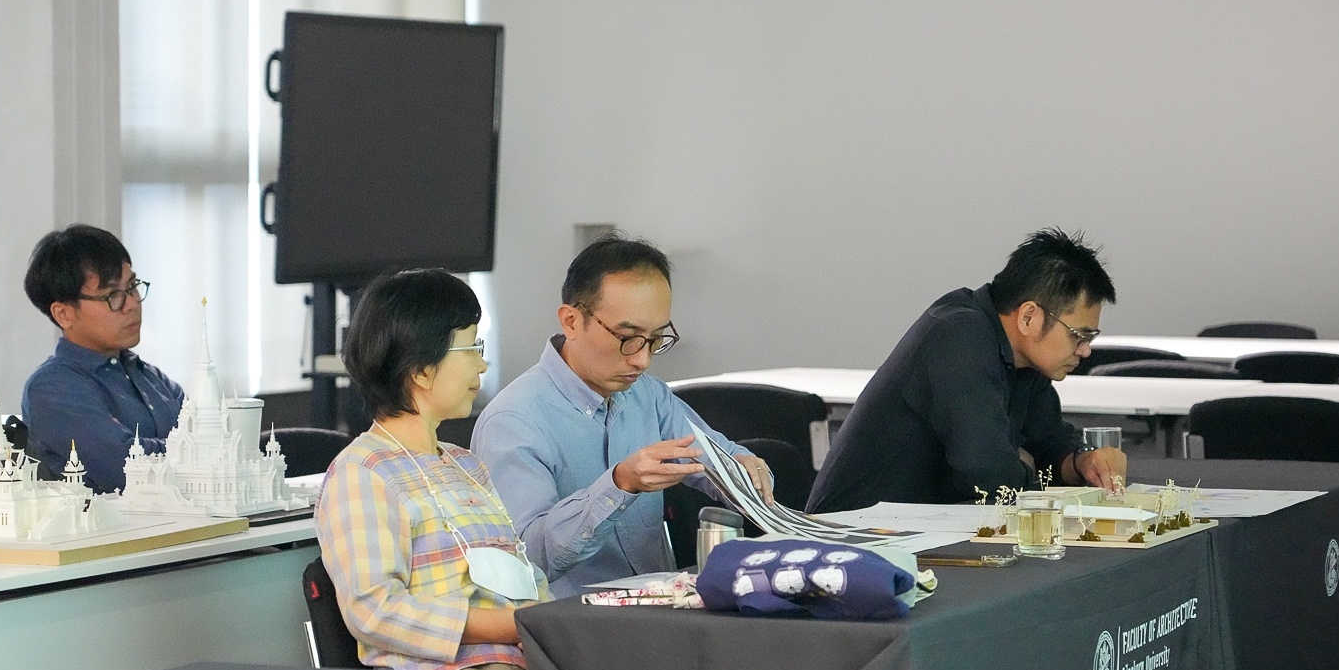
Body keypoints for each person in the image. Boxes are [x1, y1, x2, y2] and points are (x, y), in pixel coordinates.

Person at [473, 236, 773, 597]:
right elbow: (527, 560)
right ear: (571, 321)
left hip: (661, 606)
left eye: (656, 338)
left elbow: (717, 458)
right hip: (573, 621)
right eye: (628, 337)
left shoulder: (648, 395)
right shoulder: (513, 421)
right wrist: (618, 484)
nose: (642, 360)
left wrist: (745, 468)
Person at [314, 269, 548, 670]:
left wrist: (551, 620)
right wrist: (512, 626)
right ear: (422, 370)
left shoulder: (465, 464)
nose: (483, 363)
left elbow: (523, 572)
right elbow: (374, 611)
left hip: (522, 665)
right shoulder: (363, 473)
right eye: (472, 347)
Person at [807, 228, 1127, 511]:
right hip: (856, 537)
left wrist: (1082, 461)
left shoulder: (1025, 360)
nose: (1085, 350)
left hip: (923, 532)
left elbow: (1049, 444)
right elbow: (988, 472)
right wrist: (1046, 491)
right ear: (1029, 317)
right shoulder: (958, 335)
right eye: (1079, 335)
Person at [21, 224, 183, 492]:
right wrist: (188, 449)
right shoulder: (53, 388)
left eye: (132, 287)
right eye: (112, 296)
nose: (132, 304)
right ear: (64, 314)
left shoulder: (151, 377)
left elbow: (217, 443)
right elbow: (126, 469)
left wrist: (173, 448)